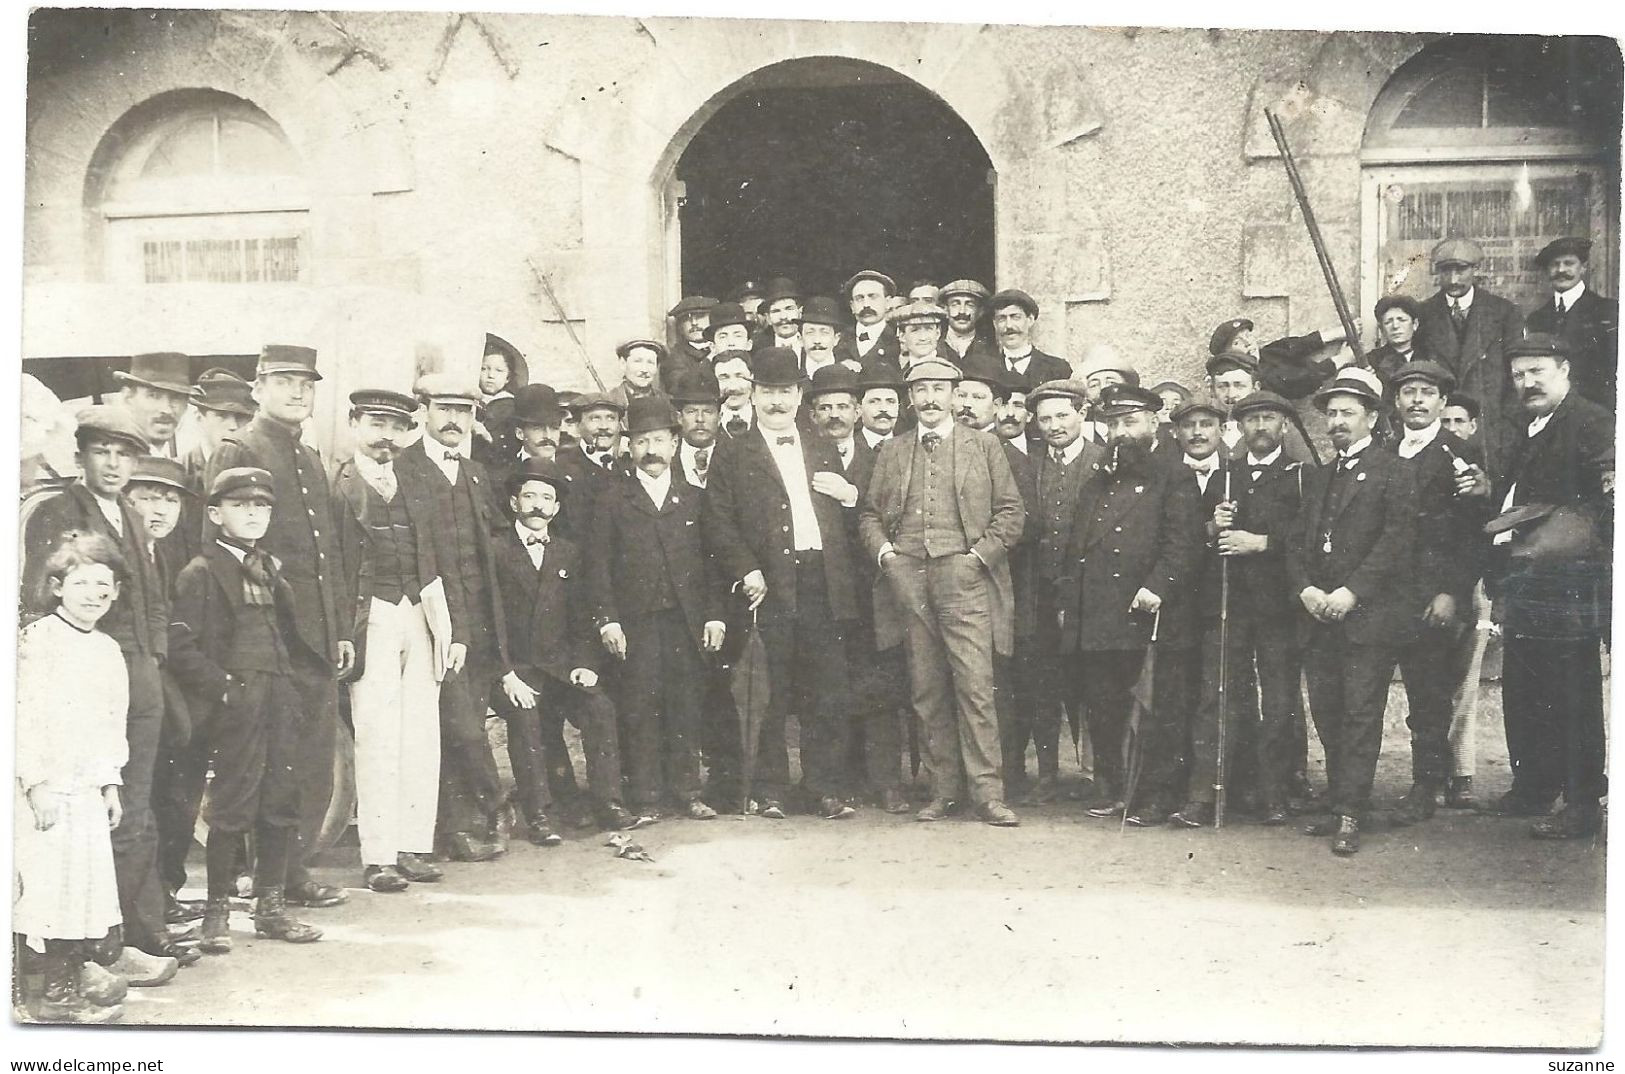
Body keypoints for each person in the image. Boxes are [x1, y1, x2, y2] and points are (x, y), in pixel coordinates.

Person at [22, 406, 192, 974]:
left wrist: (155, 655)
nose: (115, 464)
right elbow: (42, 595)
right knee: (85, 812)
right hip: (80, 678)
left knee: (134, 807)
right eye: (103, 451)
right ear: (82, 455)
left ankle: (138, 933)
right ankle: (88, 949)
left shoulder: (134, 518)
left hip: (138, 679)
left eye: (126, 454)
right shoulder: (57, 511)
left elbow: (156, 598)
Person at [206, 345, 354, 911]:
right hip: (264, 639)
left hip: (313, 639)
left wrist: (339, 628)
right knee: (265, 762)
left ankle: (294, 873)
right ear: (259, 388)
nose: (297, 393)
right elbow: (220, 550)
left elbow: (329, 557)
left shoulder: (310, 458)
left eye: (306, 385)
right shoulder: (240, 449)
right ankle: (260, 879)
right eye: (285, 382)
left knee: (312, 760)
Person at [859, 357, 1026, 827]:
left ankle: (988, 793)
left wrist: (978, 558)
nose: (930, 398)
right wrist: (888, 555)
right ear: (910, 399)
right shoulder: (893, 450)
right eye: (921, 390)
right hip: (909, 578)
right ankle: (943, 789)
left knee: (975, 687)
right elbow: (870, 514)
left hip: (965, 579)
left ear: (955, 394)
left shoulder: (986, 446)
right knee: (926, 689)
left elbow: (1011, 513)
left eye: (939, 388)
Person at [168, 468, 326, 953]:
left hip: (279, 697)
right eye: (240, 506)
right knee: (234, 803)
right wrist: (226, 689)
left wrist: (296, 689)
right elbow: (180, 643)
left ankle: (271, 909)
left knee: (281, 798)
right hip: (239, 702)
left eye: (262, 507)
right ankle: (217, 912)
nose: (254, 514)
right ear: (215, 515)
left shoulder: (272, 570)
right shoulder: (201, 572)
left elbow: (289, 638)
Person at [706, 349, 863, 819]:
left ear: (799, 396)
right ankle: (770, 788)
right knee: (769, 689)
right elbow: (718, 521)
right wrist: (746, 569)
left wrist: (851, 497)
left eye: (786, 392)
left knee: (826, 689)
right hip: (770, 582)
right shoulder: (733, 451)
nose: (777, 402)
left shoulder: (821, 444)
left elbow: (849, 513)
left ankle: (823, 788)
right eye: (768, 392)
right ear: (753, 395)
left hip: (823, 580)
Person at [1481, 335, 1613, 839]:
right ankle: (1534, 786)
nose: (1527, 383)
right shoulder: (1529, 425)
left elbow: (1606, 502)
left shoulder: (1591, 420)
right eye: (1518, 375)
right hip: (1526, 580)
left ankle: (1582, 804)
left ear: (1564, 369)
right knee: (1525, 684)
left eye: (1537, 371)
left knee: (1572, 692)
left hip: (1569, 581)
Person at [1055, 384, 1202, 827]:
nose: (1120, 432)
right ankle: (1113, 788)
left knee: (1156, 709)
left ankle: (1154, 795)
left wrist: (1159, 585)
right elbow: (1078, 544)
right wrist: (1071, 599)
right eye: (1114, 424)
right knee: (1104, 704)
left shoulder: (1174, 475)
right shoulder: (1098, 477)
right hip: (1099, 612)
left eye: (1130, 422)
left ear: (1153, 423)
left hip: (1147, 611)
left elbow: (1184, 543)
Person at [1287, 374, 1417, 856]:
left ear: (1372, 417)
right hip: (1319, 614)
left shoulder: (1394, 471)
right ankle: (1338, 798)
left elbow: (1396, 542)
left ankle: (1351, 810)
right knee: (1327, 709)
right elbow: (1298, 541)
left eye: (1347, 413)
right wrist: (1304, 588)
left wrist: (1352, 592)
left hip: (1367, 618)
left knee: (1360, 712)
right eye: (1332, 414)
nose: (1337, 422)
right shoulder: (1319, 475)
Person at [586, 395, 727, 820]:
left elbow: (713, 563)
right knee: (640, 706)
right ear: (629, 447)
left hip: (686, 620)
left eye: (660, 441)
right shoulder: (612, 500)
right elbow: (598, 566)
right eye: (642, 441)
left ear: (674, 444)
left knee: (686, 702)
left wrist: (715, 614)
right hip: (636, 623)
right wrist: (607, 620)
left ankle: (687, 791)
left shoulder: (694, 497)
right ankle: (646, 797)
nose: (651, 450)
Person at [331, 390, 449, 892]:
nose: (386, 436)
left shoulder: (417, 481)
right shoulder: (335, 485)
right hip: (370, 615)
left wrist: (449, 625)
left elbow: (438, 556)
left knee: (422, 735)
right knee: (377, 735)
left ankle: (412, 845)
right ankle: (378, 855)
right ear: (355, 423)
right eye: (376, 423)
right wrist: (341, 632)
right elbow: (330, 568)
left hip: (418, 611)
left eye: (397, 426)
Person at [491, 458, 648, 833]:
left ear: (557, 508)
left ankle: (608, 802)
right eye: (529, 496)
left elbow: (582, 617)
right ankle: (540, 814)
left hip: (562, 668)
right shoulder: (494, 551)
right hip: (516, 669)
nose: (537, 505)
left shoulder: (568, 552)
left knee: (599, 706)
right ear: (514, 503)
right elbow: (486, 621)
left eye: (547, 498)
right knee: (527, 718)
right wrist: (505, 674)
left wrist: (585, 662)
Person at [15, 533, 133, 1023]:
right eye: (81, 583)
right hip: (44, 790)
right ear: (58, 586)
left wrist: (110, 784)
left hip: (85, 791)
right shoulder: (38, 640)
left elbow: (111, 723)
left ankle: (75, 978)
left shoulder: (107, 649)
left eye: (103, 585)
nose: (94, 594)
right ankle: (49, 996)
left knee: (82, 887)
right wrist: (35, 783)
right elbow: (23, 715)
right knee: (46, 889)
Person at [396, 372, 512, 860]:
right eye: (444, 409)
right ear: (424, 411)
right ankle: (489, 804)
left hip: (481, 622)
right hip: (431, 623)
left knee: (465, 724)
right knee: (455, 727)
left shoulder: (475, 473)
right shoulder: (403, 469)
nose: (453, 420)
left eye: (463, 411)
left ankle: (458, 829)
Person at [1383, 361, 1489, 828]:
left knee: (1428, 698)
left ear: (1443, 403)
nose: (1418, 401)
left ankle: (1426, 783)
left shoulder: (1459, 456)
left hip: (1432, 597)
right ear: (1397, 402)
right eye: (1409, 392)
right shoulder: (1385, 452)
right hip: (1384, 595)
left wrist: (1451, 592)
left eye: (1427, 393)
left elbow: (1472, 536)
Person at [1195, 391, 1308, 825]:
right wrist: (1213, 526)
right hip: (1231, 603)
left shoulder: (1300, 476)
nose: (1260, 427)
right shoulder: (1225, 476)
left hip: (1279, 606)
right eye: (1251, 420)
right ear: (1239, 429)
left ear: (1284, 425)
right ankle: (1231, 786)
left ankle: (1275, 791)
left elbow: (1310, 537)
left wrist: (1263, 543)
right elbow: (1201, 538)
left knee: (1278, 701)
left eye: (1268, 418)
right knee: (1225, 696)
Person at [806, 364, 910, 811]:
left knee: (881, 684)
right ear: (812, 414)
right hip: (824, 592)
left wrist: (851, 498)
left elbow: (891, 518)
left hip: (873, 589)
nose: (835, 416)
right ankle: (838, 780)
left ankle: (886, 781)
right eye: (825, 407)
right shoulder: (802, 456)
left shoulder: (884, 458)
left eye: (843, 407)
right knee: (830, 685)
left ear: (858, 411)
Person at [1025, 380, 1106, 800]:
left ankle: (1095, 774)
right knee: (1043, 683)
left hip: (1088, 592)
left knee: (1092, 683)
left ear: (1082, 415)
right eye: (1045, 418)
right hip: (1039, 592)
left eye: (1062, 415)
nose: (1054, 425)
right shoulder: (1029, 462)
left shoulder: (1103, 461)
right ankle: (1048, 773)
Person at [1412, 237, 1525, 480]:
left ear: (1476, 269)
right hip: (1441, 431)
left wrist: (1508, 430)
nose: (1453, 279)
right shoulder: (1423, 314)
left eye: (1461, 270)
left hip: (1489, 432)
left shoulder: (1504, 312)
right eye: (1446, 270)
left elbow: (1517, 376)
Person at [1439, 391, 1494, 809]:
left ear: (1473, 426)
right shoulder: (1429, 465)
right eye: (1446, 421)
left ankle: (1462, 772)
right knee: (1433, 681)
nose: (1452, 429)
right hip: (1436, 585)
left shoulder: (1485, 472)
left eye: (1460, 421)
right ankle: (1437, 769)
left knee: (1465, 680)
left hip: (1475, 585)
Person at [1523, 236, 1617, 409]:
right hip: (1550, 412)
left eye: (1569, 263)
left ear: (1583, 268)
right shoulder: (1537, 319)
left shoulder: (1609, 311)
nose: (1561, 270)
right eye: (1554, 264)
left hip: (1595, 412)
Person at [1207, 315, 1356, 403]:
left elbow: (1296, 345)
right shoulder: (1260, 378)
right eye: (1237, 342)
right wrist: (1342, 358)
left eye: (1248, 335)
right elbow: (1303, 380)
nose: (1248, 343)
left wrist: (1338, 332)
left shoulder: (1266, 354)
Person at [553, 391, 627, 539]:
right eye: (595, 419)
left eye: (611, 418)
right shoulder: (561, 468)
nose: (604, 427)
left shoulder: (628, 467)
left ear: (619, 426)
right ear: (578, 425)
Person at [115, 352, 200, 460]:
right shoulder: (116, 463)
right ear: (128, 399)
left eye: (177, 397)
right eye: (154, 396)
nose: (167, 410)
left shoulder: (179, 461)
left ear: (187, 404)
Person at [182, 369, 256, 482]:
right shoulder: (181, 471)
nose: (233, 426)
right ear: (199, 419)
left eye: (240, 417)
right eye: (222, 416)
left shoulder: (256, 468)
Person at [989, 289, 1070, 384]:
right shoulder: (985, 368)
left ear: (1030, 320)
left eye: (1015, 317)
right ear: (995, 324)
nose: (1009, 325)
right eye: (1001, 319)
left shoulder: (1057, 369)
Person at [473, 341, 527, 467]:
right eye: (484, 369)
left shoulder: (512, 407)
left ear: (508, 377)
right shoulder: (471, 402)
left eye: (499, 370)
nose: (490, 375)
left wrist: (487, 437)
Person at [834, 269, 901, 369]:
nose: (866, 305)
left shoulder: (898, 339)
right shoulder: (838, 339)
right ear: (852, 306)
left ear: (888, 302)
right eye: (859, 298)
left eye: (873, 297)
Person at [1367, 295, 1430, 387]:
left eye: (1402, 320)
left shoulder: (1429, 357)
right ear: (1381, 328)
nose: (1395, 326)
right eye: (1388, 322)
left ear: (1415, 324)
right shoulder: (1372, 361)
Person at [662, 295, 718, 387]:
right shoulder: (674, 356)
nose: (694, 323)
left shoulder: (723, 346)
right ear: (680, 327)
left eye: (700, 316)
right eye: (686, 319)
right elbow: (679, 386)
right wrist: (708, 360)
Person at [939, 279, 997, 362]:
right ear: (945, 309)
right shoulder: (932, 349)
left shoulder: (992, 352)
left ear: (980, 312)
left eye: (970, 305)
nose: (962, 311)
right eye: (955, 304)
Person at [752, 277, 804, 357]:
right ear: (768, 318)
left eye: (789, 309)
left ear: (800, 312)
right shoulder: (756, 349)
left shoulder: (813, 343)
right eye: (776, 311)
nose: (783, 317)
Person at [797, 295, 846, 379]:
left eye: (824, 333)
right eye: (810, 332)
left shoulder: (848, 374)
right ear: (800, 339)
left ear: (836, 338)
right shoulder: (792, 375)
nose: (817, 340)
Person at [713, 350, 757, 439]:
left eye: (740, 376)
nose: (733, 387)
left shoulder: (768, 418)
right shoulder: (706, 422)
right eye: (723, 378)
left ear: (752, 377)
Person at [612, 339, 665, 406]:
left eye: (650, 363)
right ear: (623, 364)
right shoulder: (608, 401)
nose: (644, 369)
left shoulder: (667, 403)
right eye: (638, 361)